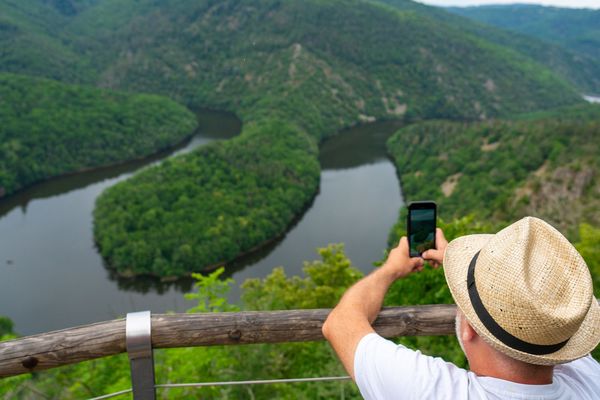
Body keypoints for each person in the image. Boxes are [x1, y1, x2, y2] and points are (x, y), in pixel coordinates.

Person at [323, 216, 600, 399]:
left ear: (468, 330)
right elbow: (544, 302)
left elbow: (340, 324)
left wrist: (390, 270)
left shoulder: (433, 391)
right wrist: (470, 272)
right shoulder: (588, 381)